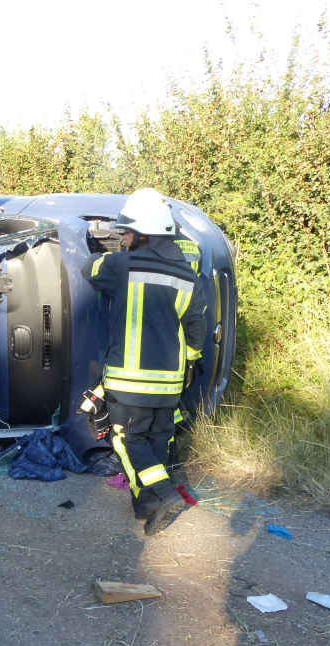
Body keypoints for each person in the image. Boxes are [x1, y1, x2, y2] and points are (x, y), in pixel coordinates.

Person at [81, 188, 207, 534]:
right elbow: (197, 328)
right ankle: (147, 505)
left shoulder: (120, 265)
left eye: (127, 233)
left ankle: (165, 493)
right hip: (168, 384)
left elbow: (87, 269)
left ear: (139, 233)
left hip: (129, 382)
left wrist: (101, 247)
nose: (125, 238)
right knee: (156, 441)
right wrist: (190, 362)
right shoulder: (186, 277)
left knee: (127, 440)